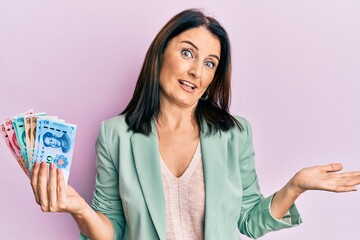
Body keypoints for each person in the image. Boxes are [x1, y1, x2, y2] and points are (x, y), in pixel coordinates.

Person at [30, 9, 360, 240]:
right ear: (160, 54)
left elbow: (248, 221)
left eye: (209, 63)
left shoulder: (235, 134)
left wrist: (295, 186)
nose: (196, 72)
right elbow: (112, 229)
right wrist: (77, 208)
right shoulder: (115, 135)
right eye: (188, 53)